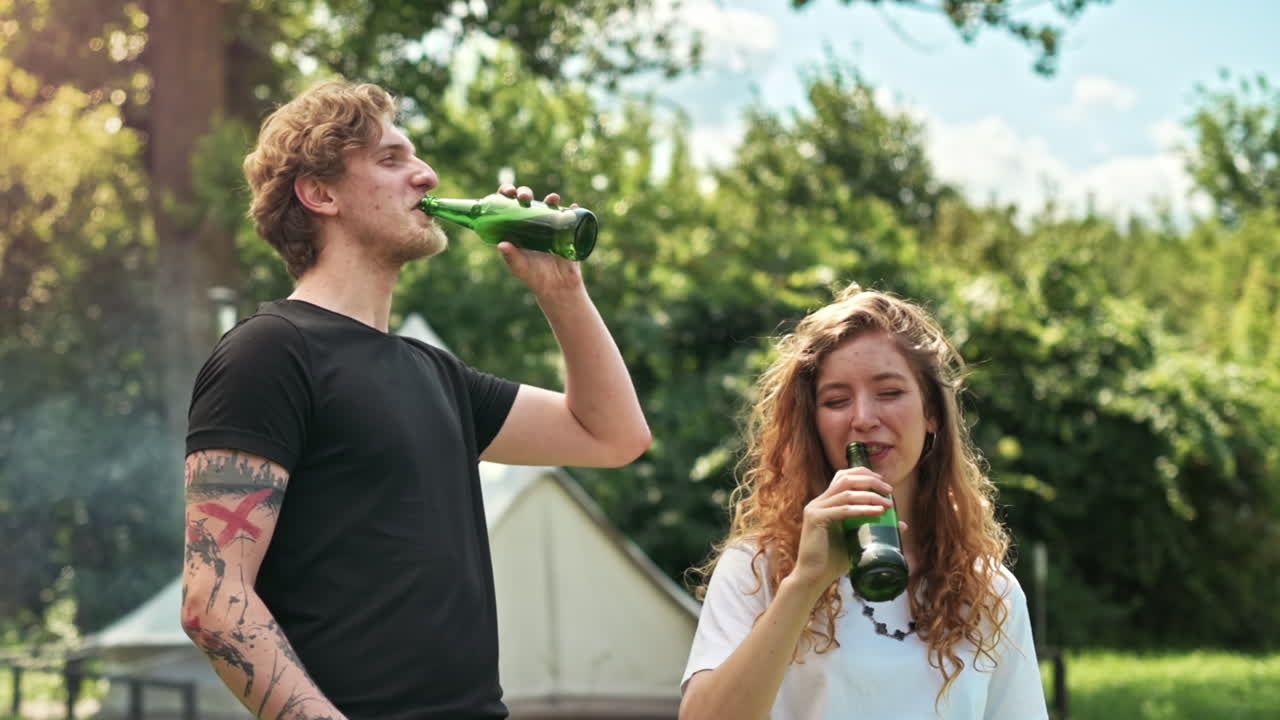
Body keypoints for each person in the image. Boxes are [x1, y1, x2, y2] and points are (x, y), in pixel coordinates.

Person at [180, 80, 651, 720]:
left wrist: (562, 290)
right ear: (320, 194)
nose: (427, 175)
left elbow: (614, 436)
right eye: (391, 159)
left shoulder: (437, 373)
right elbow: (213, 600)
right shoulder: (269, 352)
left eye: (416, 156)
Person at [679, 284, 1047, 719]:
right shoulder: (757, 569)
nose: (864, 418)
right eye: (836, 400)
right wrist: (806, 582)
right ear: (813, 422)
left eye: (889, 393)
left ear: (931, 412)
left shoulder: (990, 590)